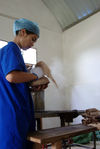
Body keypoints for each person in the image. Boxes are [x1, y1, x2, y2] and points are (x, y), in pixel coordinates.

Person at [0, 18, 49, 149]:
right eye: (33, 39)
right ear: (22, 32)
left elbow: (15, 83)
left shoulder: (14, 53)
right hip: (13, 112)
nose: (33, 44)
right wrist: (36, 74)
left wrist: (32, 86)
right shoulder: (11, 48)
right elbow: (11, 77)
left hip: (16, 110)